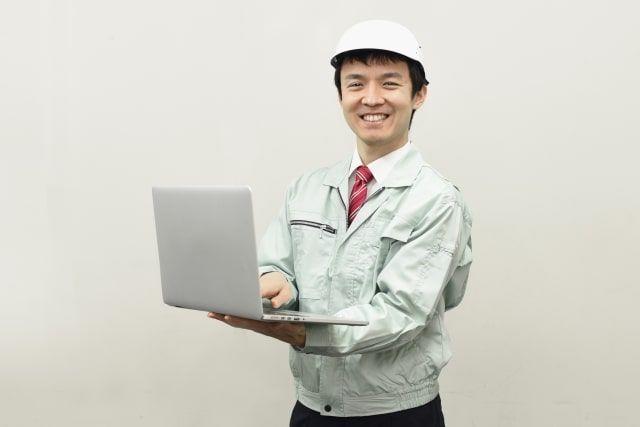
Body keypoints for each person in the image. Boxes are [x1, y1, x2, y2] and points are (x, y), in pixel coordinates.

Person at [208, 20, 473, 426]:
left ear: (418, 95)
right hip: (312, 409)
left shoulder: (437, 200)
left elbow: (402, 314)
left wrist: (299, 334)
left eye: (389, 83)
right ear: (340, 96)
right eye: (355, 84)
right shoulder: (306, 189)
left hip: (396, 415)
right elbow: (277, 265)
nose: (371, 98)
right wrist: (275, 285)